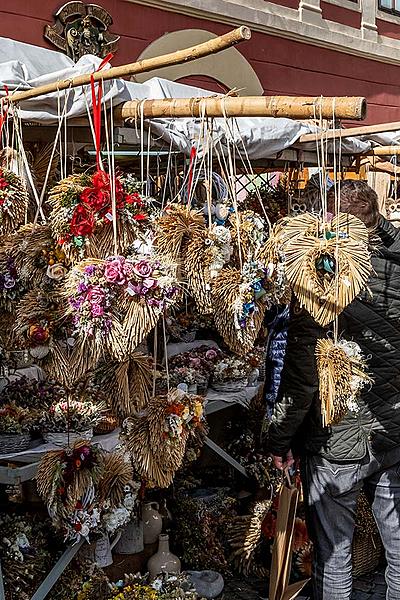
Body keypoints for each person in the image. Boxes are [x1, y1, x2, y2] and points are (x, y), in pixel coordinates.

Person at [266, 180, 400, 600]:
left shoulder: (319, 279)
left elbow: (302, 378)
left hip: (335, 439)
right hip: (393, 432)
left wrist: (277, 438)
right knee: (398, 546)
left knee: (336, 552)